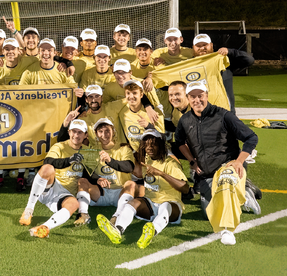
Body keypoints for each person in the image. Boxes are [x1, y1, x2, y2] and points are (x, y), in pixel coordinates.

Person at [174, 81, 261, 245]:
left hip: (227, 166)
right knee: (209, 213)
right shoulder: (185, 121)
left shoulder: (223, 115)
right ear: (188, 98)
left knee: (226, 183)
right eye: (193, 97)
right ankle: (244, 194)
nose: (197, 100)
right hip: (206, 175)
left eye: (200, 95)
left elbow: (251, 137)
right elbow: (179, 142)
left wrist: (239, 161)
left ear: (206, 95)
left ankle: (227, 230)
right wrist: (192, 161)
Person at [96, 129, 189, 249]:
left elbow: (185, 188)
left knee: (165, 206)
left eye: (153, 144)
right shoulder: (147, 161)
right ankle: (117, 230)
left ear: (160, 144)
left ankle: (152, 231)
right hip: (150, 204)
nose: (149, 147)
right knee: (133, 202)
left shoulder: (170, 163)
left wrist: (161, 173)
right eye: (146, 145)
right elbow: (134, 170)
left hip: (171, 206)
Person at [18, 119, 88, 238]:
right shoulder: (60, 146)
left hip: (65, 195)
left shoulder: (88, 151)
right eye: (74, 131)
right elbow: (48, 161)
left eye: (80, 132)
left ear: (86, 135)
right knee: (47, 168)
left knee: (74, 204)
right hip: (51, 186)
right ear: (69, 132)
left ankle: (44, 227)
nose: (76, 135)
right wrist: (69, 160)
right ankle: (29, 210)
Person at [74, 118, 135, 226]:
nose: (104, 135)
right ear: (96, 134)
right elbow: (88, 173)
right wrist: (98, 179)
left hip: (120, 192)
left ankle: (117, 216)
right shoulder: (93, 150)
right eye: (100, 132)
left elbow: (129, 167)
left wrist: (110, 160)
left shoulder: (124, 149)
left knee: (131, 184)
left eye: (107, 131)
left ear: (113, 131)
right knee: (82, 181)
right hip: (101, 193)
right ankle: (83, 215)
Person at [192, 33, 255, 115]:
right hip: (199, 113)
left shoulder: (222, 60)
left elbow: (249, 60)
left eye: (205, 45)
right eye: (198, 46)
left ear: (211, 45)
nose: (202, 48)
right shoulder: (188, 65)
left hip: (225, 112)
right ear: (193, 48)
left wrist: (230, 51)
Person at [118, 80, 165, 152]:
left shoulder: (155, 113)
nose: (131, 96)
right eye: (128, 93)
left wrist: (149, 126)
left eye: (134, 93)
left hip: (154, 153)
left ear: (141, 95)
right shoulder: (122, 112)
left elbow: (163, 138)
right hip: (136, 153)